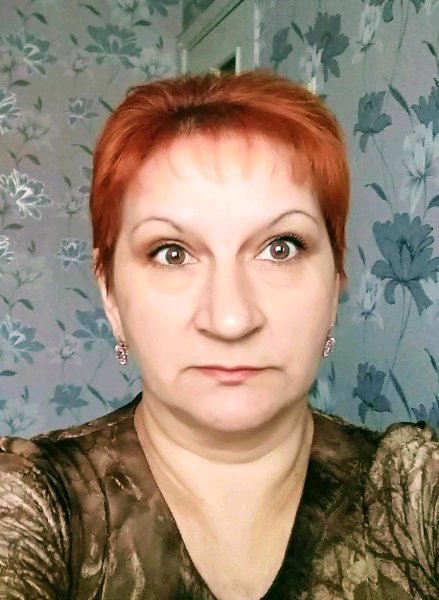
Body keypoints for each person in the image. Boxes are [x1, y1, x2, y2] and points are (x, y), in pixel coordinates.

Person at [0, 71, 437, 600]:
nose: (230, 320)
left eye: (280, 248)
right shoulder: (35, 500)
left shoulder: (411, 489)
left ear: (335, 281)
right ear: (111, 295)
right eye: (172, 253)